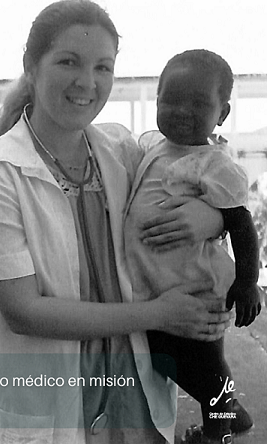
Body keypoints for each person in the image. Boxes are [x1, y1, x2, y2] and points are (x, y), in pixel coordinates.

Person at [0, 2, 231, 443]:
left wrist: (213, 218)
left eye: (103, 67)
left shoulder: (122, 151)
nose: (88, 83)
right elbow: (24, 312)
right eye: (69, 62)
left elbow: (202, 173)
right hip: (49, 406)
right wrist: (157, 314)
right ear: (31, 66)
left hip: (133, 398)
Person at [124, 49, 261, 444]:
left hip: (196, 290)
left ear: (222, 114)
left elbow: (242, 224)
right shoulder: (154, 147)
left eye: (198, 103)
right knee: (181, 362)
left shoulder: (213, 163)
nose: (181, 111)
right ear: (156, 99)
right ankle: (230, 413)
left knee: (208, 368)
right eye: (170, 100)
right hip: (161, 289)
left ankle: (216, 432)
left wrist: (248, 282)